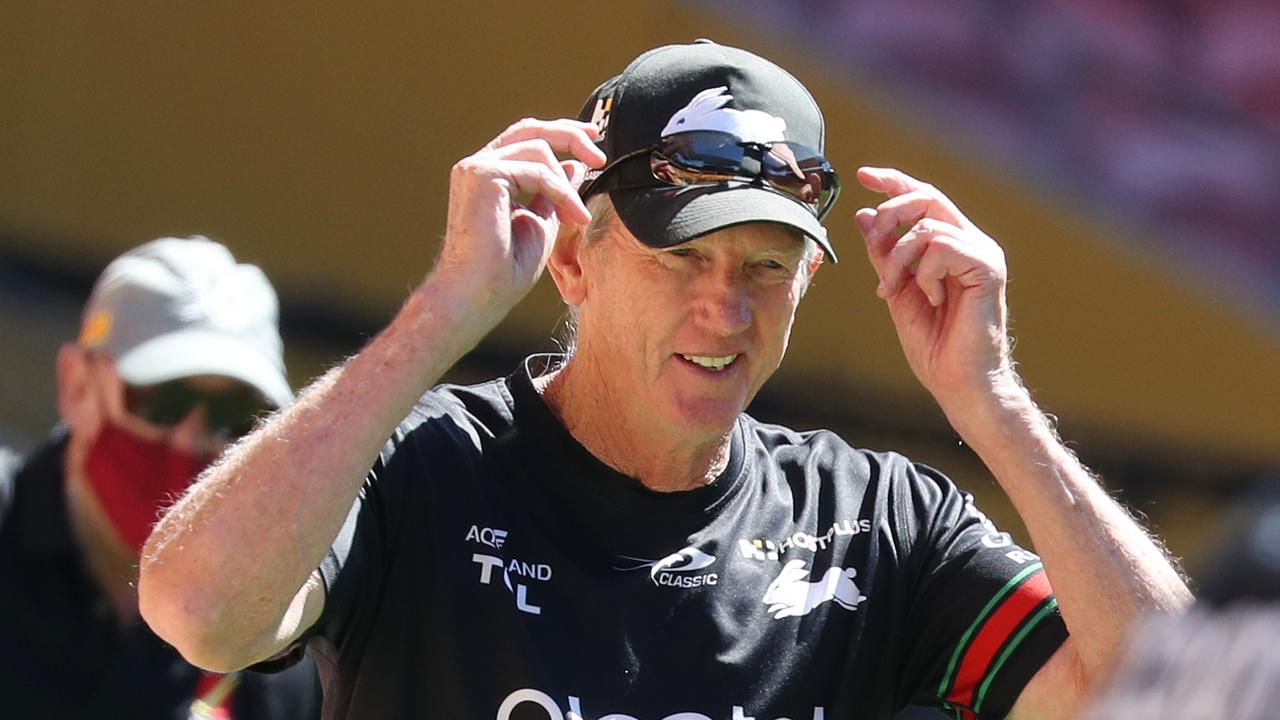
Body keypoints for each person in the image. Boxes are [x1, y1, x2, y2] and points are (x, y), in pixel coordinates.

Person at [138, 42, 1191, 720]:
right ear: (571, 260)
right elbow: (198, 609)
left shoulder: (876, 524)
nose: (723, 311)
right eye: (680, 256)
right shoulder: (421, 467)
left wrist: (993, 403)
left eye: (764, 268)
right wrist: (436, 317)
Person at [0, 237, 322, 719]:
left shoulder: (274, 644)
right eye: (162, 399)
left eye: (234, 414)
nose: (192, 439)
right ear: (77, 385)